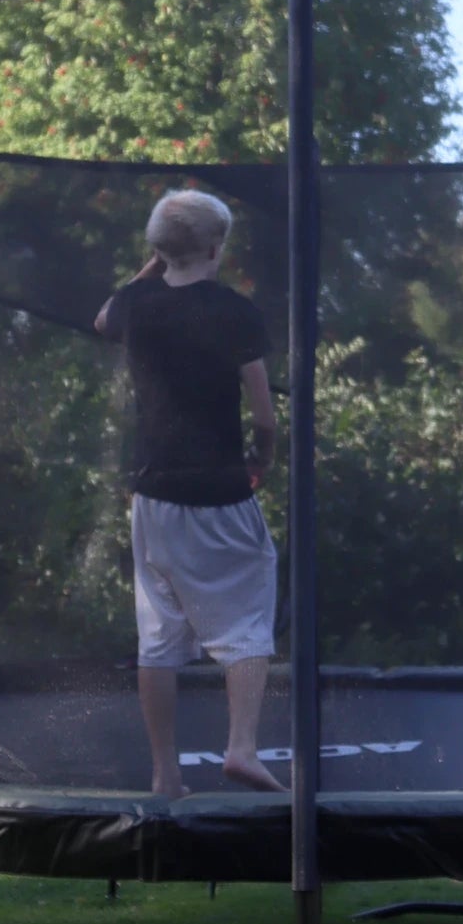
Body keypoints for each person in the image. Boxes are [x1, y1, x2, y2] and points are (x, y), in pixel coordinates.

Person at [94, 189, 284, 800]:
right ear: (214, 247)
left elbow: (104, 319)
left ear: (156, 250)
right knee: (248, 611)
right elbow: (265, 414)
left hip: (152, 492)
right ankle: (241, 748)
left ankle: (165, 775)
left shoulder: (139, 305)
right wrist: (264, 458)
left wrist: (153, 264)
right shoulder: (234, 312)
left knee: (159, 633)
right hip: (218, 489)